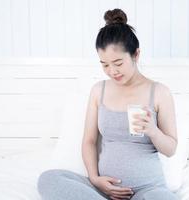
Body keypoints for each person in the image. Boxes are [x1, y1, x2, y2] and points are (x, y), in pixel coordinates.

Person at [37, 8, 179, 200]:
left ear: (136, 54)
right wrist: (95, 179)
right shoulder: (99, 90)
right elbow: (89, 141)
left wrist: (153, 130)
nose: (112, 71)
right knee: (49, 179)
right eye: (104, 64)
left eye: (118, 63)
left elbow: (170, 149)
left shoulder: (160, 92)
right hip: (102, 192)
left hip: (148, 191)